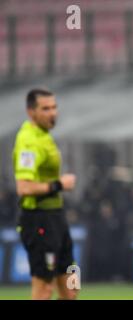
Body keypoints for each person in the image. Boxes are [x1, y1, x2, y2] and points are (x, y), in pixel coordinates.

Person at [13, 88, 78, 300]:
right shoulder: (29, 141)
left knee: (71, 287)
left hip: (56, 218)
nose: (53, 113)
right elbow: (23, 187)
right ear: (31, 112)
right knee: (44, 290)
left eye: (54, 107)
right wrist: (59, 185)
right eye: (46, 108)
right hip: (39, 220)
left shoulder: (43, 135)